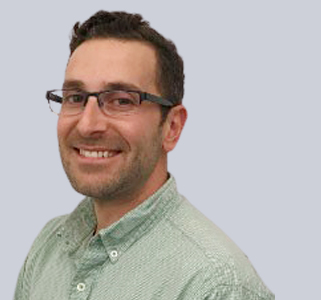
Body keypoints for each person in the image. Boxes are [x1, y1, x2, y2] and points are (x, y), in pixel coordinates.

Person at [14, 10, 274, 300]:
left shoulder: (214, 285)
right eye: (75, 97)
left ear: (172, 127)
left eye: (122, 100)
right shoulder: (48, 247)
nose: (88, 125)